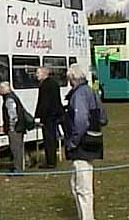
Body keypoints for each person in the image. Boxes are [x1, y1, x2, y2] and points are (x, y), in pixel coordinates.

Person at [65, 64, 103, 220]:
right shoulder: (91, 91)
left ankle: (87, 218)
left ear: (72, 78)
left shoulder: (79, 94)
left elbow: (80, 121)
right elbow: (103, 118)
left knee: (83, 188)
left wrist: (73, 142)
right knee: (77, 184)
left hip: (82, 145)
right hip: (93, 140)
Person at [35, 67, 64, 168]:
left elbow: (44, 103)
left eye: (38, 73)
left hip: (48, 117)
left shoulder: (45, 86)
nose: (36, 75)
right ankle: (52, 160)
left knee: (48, 139)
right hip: (54, 115)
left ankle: (50, 162)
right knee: (52, 139)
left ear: (44, 74)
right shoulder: (54, 83)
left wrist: (39, 116)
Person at [0, 82, 26, 174]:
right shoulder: (12, 97)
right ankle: (18, 167)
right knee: (18, 148)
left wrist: (11, 127)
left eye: (0, 88)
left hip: (15, 129)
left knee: (16, 149)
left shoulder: (9, 99)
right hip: (19, 127)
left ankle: (18, 169)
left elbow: (13, 115)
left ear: (4, 89)